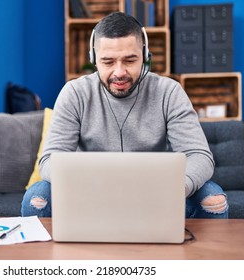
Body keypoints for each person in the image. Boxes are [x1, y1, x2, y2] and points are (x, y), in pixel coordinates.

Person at [21, 12, 228, 219]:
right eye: (108, 62)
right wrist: (90, 184)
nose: (119, 72)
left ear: (145, 56)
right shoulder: (74, 93)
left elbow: (199, 156)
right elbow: (49, 159)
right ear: (94, 59)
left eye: (129, 60)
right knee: (37, 198)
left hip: (156, 196)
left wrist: (177, 188)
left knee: (212, 199)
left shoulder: (169, 92)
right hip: (89, 193)